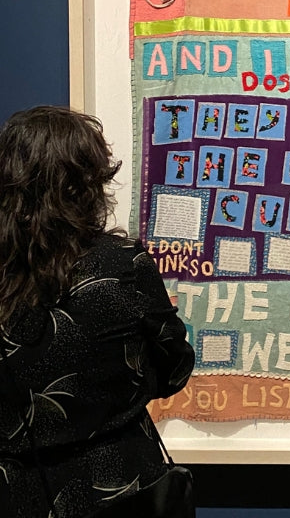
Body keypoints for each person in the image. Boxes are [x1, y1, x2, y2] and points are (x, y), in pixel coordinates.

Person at [0, 106, 194, 517]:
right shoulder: (121, 265)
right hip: (122, 488)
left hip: (18, 494)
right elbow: (173, 370)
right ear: (85, 181)